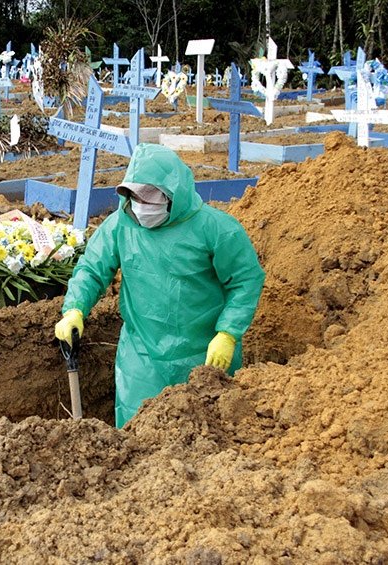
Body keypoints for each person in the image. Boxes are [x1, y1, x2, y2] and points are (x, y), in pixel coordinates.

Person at [55, 143, 265, 428]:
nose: (143, 205)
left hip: (204, 354)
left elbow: (245, 280)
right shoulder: (120, 226)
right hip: (142, 357)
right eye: (135, 195)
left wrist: (228, 333)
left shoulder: (217, 229)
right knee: (137, 431)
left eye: (152, 195)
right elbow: (92, 269)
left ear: (173, 192)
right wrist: (75, 309)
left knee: (208, 435)